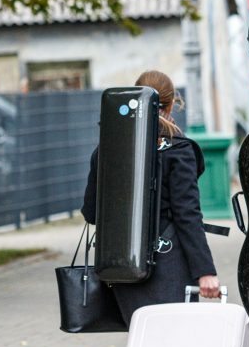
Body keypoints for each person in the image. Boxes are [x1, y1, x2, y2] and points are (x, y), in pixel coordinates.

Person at [81, 70, 220, 324]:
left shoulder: (106, 148)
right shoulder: (179, 150)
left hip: (123, 268)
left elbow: (91, 213)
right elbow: (187, 215)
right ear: (170, 105)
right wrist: (205, 271)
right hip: (170, 267)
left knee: (142, 346)